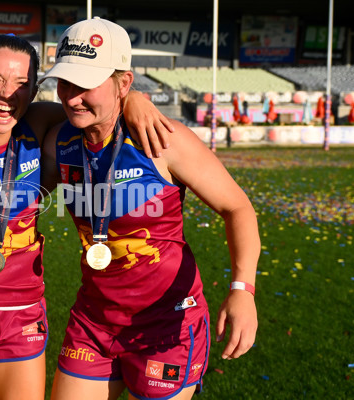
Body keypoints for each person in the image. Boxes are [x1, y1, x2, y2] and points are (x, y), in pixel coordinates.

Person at [0, 34, 174, 400]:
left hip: (25, 313)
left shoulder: (38, 124)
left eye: (21, 84)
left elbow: (98, 107)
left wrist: (133, 98)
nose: (7, 94)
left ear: (32, 92)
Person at [40, 18, 260, 400]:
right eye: (64, 83)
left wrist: (243, 289)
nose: (71, 97)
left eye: (85, 84)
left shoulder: (163, 141)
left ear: (123, 82)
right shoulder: (58, 140)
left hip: (166, 325)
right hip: (94, 321)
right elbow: (16, 117)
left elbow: (237, 208)